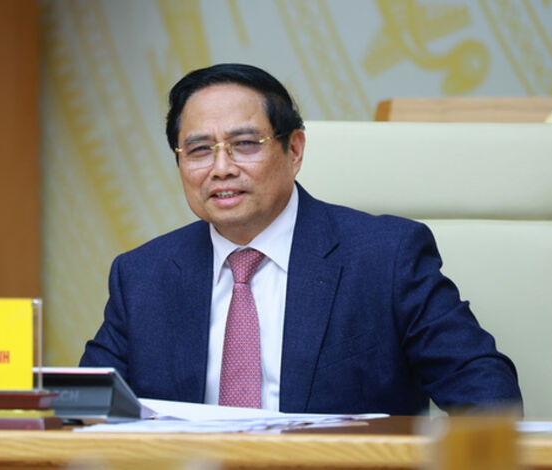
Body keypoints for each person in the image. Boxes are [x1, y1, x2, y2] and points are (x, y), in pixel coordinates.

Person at [80, 63, 522, 415]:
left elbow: (486, 392)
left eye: (245, 144)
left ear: (294, 150)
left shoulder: (386, 257)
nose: (222, 168)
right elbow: (84, 408)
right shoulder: (142, 275)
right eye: (199, 150)